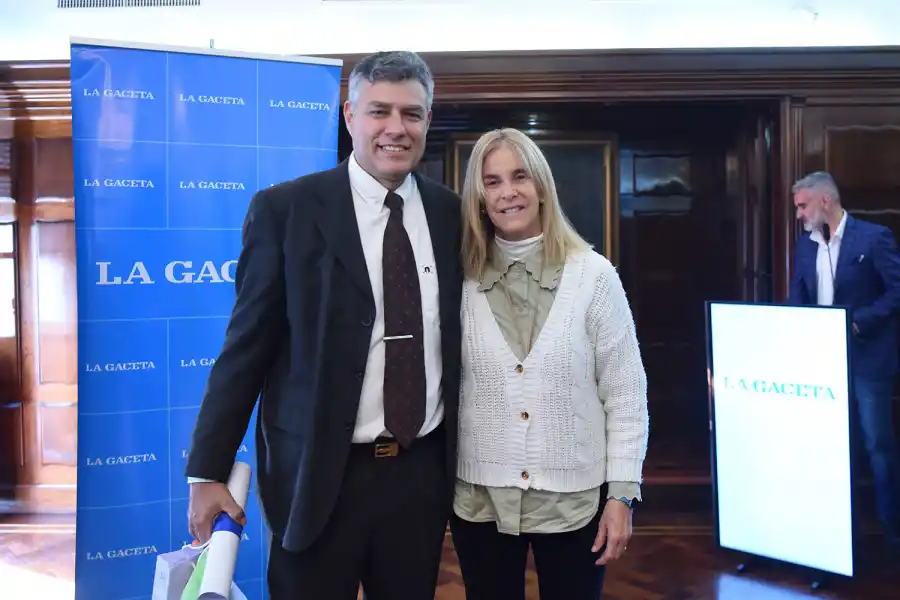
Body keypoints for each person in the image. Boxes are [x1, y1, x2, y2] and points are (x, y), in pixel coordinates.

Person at [184, 50, 463, 600]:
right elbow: (246, 349)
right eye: (379, 111)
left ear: (428, 121)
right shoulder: (286, 210)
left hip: (420, 474)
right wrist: (208, 472)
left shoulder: (451, 213)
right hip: (315, 475)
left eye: (412, 114)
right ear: (349, 115)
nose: (395, 129)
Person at [449, 128, 649, 600]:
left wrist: (622, 494)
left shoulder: (594, 277)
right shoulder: (457, 276)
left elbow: (625, 393)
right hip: (480, 499)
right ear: (479, 197)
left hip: (574, 498)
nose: (507, 192)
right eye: (492, 181)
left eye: (519, 177)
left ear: (541, 186)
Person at [788, 171, 900, 549]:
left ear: (824, 201)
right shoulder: (805, 246)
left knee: (878, 446)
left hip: (868, 362)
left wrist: (858, 324)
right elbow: (798, 299)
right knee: (830, 446)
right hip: (822, 363)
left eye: (802, 206)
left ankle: (892, 533)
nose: (799, 215)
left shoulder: (874, 238)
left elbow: (896, 292)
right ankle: (835, 535)